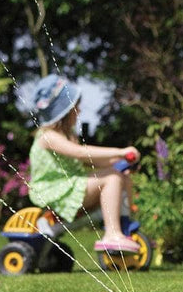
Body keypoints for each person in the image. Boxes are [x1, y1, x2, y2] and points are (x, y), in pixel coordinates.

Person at [28, 74, 141, 253]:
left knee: (122, 175)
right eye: (76, 107)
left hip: (72, 185)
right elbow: (80, 153)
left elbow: (90, 161)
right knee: (112, 178)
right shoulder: (48, 137)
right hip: (58, 191)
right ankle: (112, 234)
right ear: (64, 112)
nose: (79, 111)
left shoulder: (68, 135)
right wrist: (119, 152)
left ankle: (124, 225)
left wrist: (118, 160)